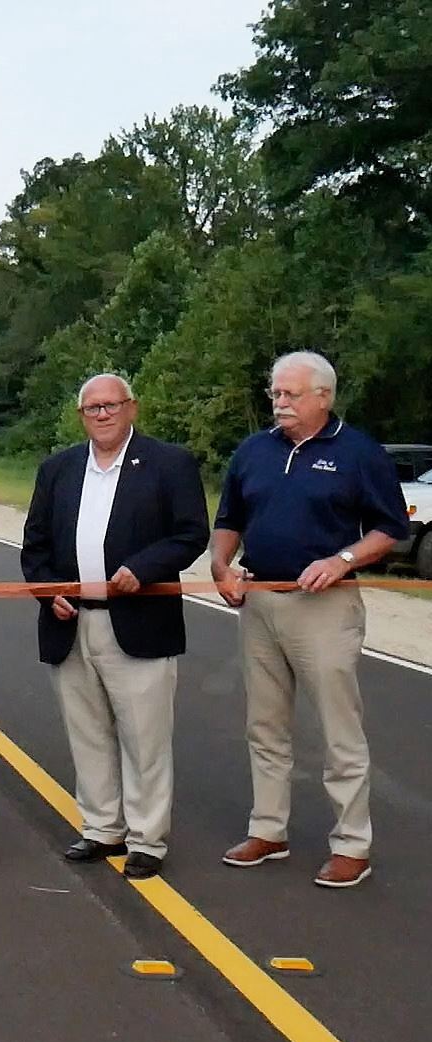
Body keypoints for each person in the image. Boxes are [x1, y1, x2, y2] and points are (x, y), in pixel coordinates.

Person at [212, 351, 410, 888]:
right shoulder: (254, 451)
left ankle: (352, 844)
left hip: (326, 606)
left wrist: (341, 559)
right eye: (275, 393)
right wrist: (219, 565)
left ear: (323, 395)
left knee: (338, 729)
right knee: (265, 725)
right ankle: (268, 829)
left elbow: (391, 528)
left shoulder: (358, 452)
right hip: (260, 602)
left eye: (290, 394)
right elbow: (229, 518)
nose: (279, 403)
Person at [19, 374, 209, 880]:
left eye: (111, 406)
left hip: (139, 621)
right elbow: (34, 545)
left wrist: (144, 568)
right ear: (81, 415)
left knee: (144, 738)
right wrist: (47, 590)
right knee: (88, 733)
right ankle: (102, 828)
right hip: (71, 623)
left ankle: (147, 839)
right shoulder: (58, 469)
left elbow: (191, 534)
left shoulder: (169, 464)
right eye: (92, 408)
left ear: (132, 409)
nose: (102, 415)